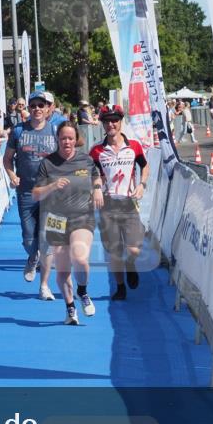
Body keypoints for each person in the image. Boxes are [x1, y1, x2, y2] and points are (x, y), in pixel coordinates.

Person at [32, 121, 97, 324]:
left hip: (82, 216)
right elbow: (35, 194)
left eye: (70, 138)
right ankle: (70, 308)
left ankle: (83, 292)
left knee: (80, 257)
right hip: (56, 220)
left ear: (75, 139)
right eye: (63, 138)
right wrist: (52, 186)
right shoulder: (47, 163)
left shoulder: (85, 160)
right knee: (62, 271)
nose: (66, 141)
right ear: (57, 140)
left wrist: (98, 189)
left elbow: (97, 178)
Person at [4, 90, 66, 300]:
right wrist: (12, 174)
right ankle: (32, 257)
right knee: (29, 238)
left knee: (48, 239)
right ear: (28, 109)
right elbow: (7, 159)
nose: (37, 109)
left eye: (42, 105)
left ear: (49, 108)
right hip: (27, 192)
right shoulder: (18, 131)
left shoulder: (55, 129)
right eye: (33, 106)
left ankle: (44, 286)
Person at [90, 105, 149, 301]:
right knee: (114, 251)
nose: (111, 124)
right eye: (107, 121)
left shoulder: (134, 146)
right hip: (108, 206)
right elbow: (94, 175)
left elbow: (145, 166)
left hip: (129, 204)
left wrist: (142, 184)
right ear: (102, 124)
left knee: (133, 249)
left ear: (120, 122)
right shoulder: (96, 151)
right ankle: (120, 287)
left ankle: (131, 265)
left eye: (114, 120)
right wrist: (97, 187)